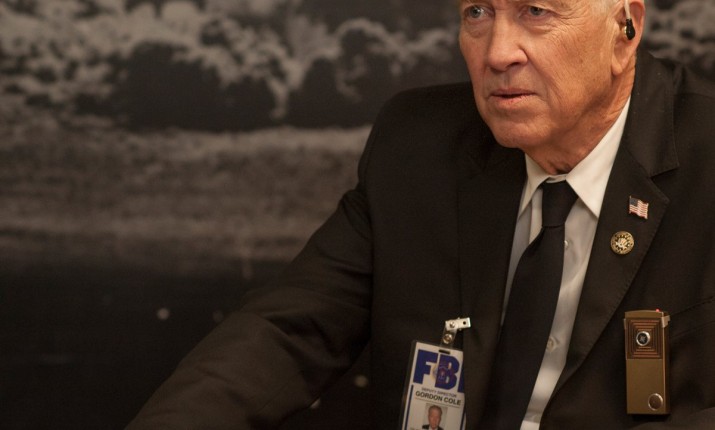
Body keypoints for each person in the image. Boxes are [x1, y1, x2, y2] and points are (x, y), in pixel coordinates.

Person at [127, 0, 715, 428]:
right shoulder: (418, 145)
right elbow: (287, 332)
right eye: (478, 12)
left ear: (624, 29)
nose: (498, 53)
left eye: (535, 11)